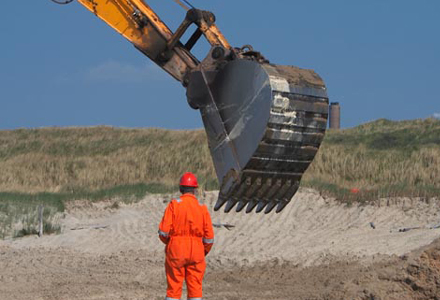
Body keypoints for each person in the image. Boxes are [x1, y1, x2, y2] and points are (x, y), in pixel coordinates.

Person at [158, 172, 214, 300]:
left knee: (174, 288)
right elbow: (209, 237)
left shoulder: (174, 205)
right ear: (195, 189)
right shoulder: (202, 208)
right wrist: (202, 250)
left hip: (176, 250)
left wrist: (171, 243)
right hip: (197, 251)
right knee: (195, 289)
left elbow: (163, 232)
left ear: (181, 188)